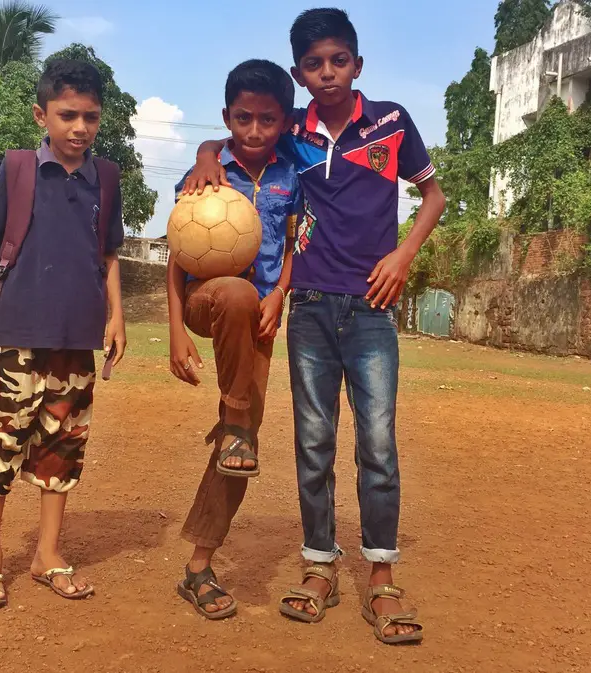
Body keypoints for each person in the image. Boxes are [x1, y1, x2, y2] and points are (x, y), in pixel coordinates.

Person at [185, 9, 446, 643]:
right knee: (314, 445)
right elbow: (234, 139)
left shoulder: (389, 120)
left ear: (357, 63)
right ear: (299, 73)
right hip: (308, 308)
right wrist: (201, 151)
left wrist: (402, 255)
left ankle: (382, 577)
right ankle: (319, 566)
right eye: (313, 64)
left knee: (378, 445)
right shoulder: (292, 129)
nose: (326, 73)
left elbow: (432, 195)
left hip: (372, 309)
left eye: (338, 60)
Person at [0, 59, 127, 608]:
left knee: (62, 447)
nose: (80, 127)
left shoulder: (108, 178)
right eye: (67, 115)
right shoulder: (20, 168)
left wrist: (116, 315)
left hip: (78, 338)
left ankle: (48, 554)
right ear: (42, 115)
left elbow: (108, 254)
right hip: (14, 333)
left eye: (90, 117)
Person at [168, 59, 301, 619]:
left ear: (285, 122)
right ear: (226, 118)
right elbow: (177, 255)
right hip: (209, 301)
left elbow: (296, 245)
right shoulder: (204, 173)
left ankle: (199, 566)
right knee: (237, 298)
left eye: (267, 120)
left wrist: (280, 296)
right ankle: (236, 419)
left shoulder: (294, 175)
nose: (253, 130)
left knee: (239, 449)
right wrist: (176, 330)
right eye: (242, 118)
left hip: (260, 317)